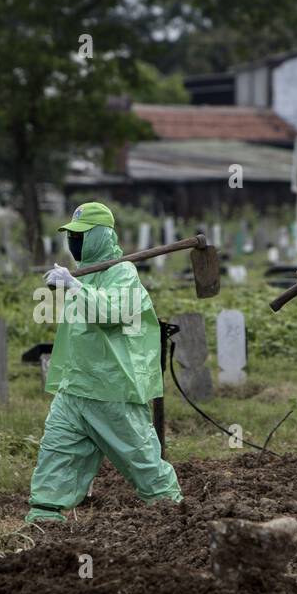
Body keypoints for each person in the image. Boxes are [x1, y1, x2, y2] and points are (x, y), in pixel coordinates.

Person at [26, 202, 182, 522]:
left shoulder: (121, 272)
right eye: (72, 235)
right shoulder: (86, 274)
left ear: (101, 237)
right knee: (57, 453)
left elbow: (111, 314)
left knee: (143, 462)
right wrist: (75, 283)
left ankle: (174, 516)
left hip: (113, 389)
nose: (75, 242)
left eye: (82, 235)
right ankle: (44, 520)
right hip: (75, 386)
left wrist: (74, 286)